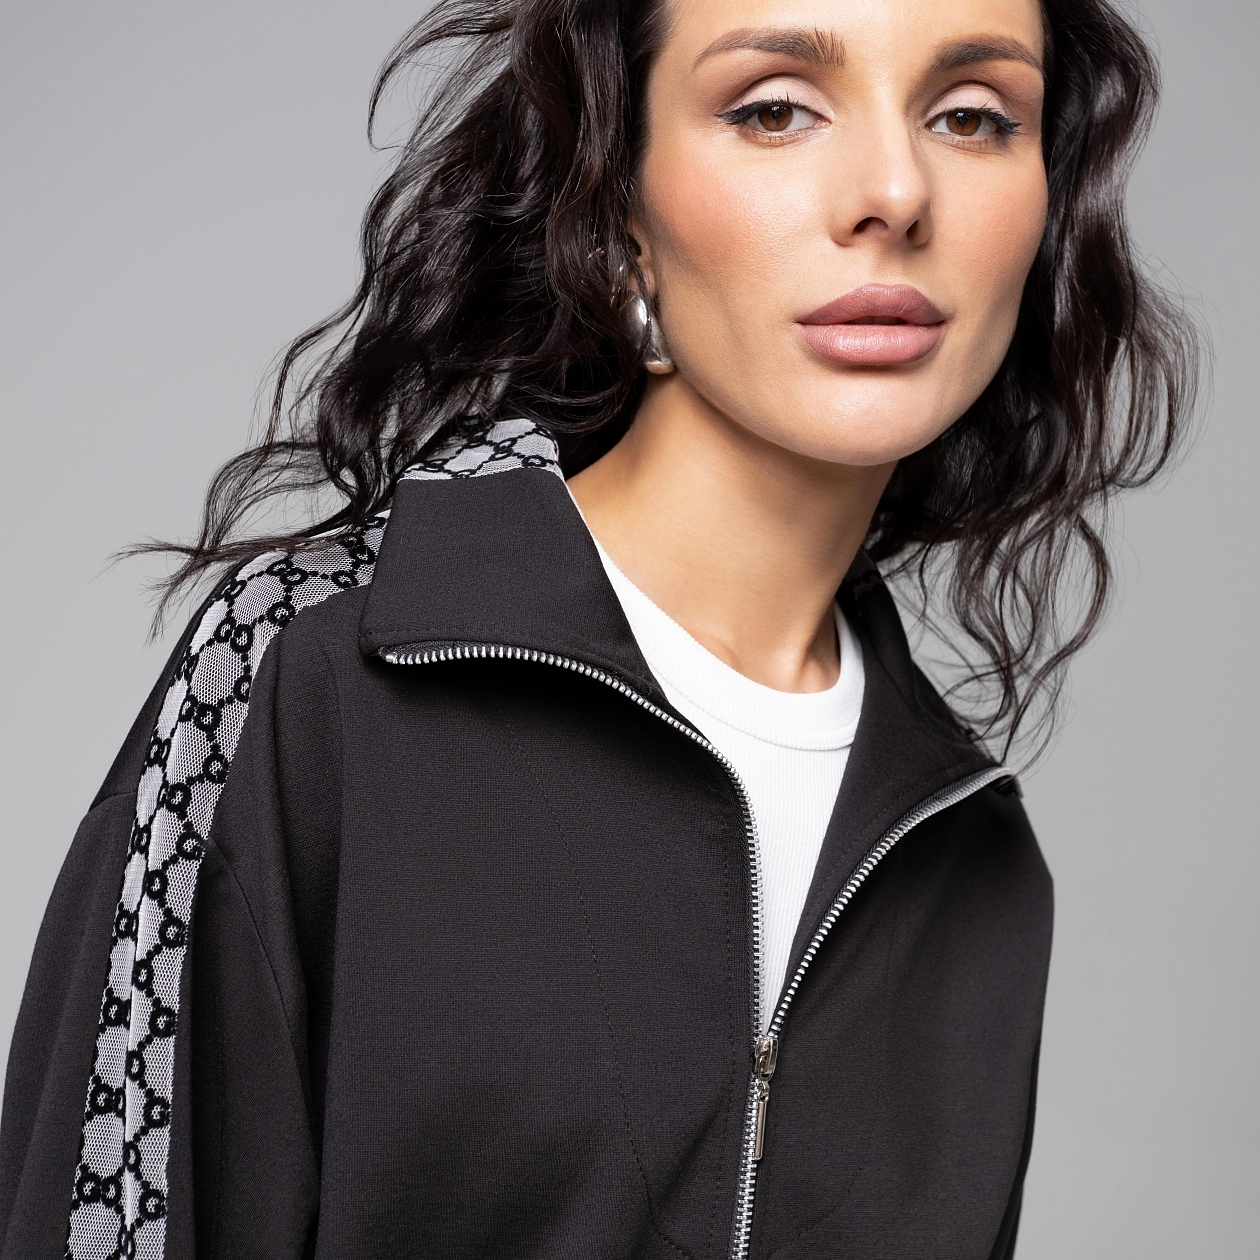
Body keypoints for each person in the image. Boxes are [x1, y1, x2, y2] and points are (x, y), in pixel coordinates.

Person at [0, 0, 1199, 1257]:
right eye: (775, 108)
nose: (896, 192)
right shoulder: (319, 677)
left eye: (972, 117)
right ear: (618, 216)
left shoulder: (977, 858)